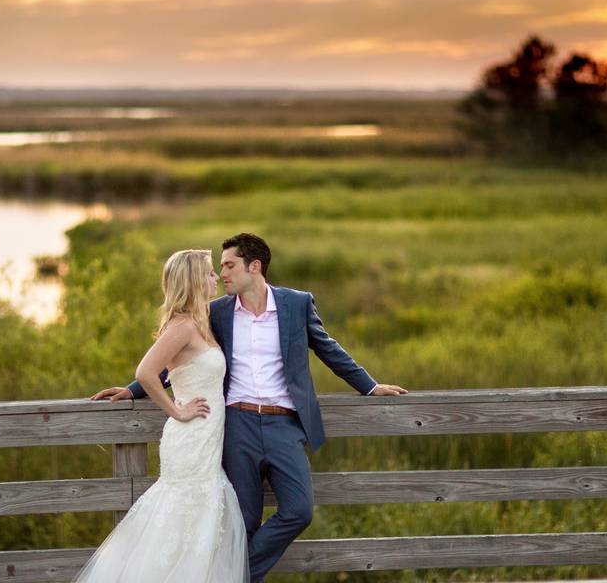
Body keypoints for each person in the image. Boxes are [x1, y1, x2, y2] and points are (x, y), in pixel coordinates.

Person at [94, 233, 407, 582]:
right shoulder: (215, 312)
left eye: (229, 265)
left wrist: (370, 385)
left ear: (253, 266)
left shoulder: (296, 304)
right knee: (242, 521)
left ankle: (232, 575)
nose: (222, 273)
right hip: (236, 425)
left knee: (299, 510)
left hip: (284, 426)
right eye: (219, 267)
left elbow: (328, 348)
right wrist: (134, 389)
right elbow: (179, 362)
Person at [77, 249, 249, 582]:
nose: (216, 277)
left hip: (207, 443)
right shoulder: (183, 326)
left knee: (201, 528)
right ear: (194, 280)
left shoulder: (202, 321)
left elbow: (182, 370)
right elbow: (146, 371)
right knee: (181, 521)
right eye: (210, 273)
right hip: (190, 440)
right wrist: (176, 410)